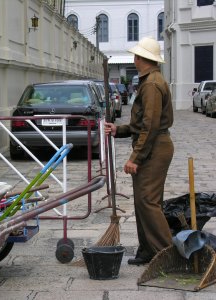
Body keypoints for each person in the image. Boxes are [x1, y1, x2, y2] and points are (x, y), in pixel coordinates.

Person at [104, 37, 174, 265]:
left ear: (141, 59)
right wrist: (119, 129)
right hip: (153, 146)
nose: (134, 59)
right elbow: (141, 124)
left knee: (148, 202)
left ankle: (168, 255)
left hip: (154, 148)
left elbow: (150, 125)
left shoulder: (152, 84)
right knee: (144, 202)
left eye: (136, 55)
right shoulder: (149, 81)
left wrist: (135, 158)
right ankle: (148, 251)